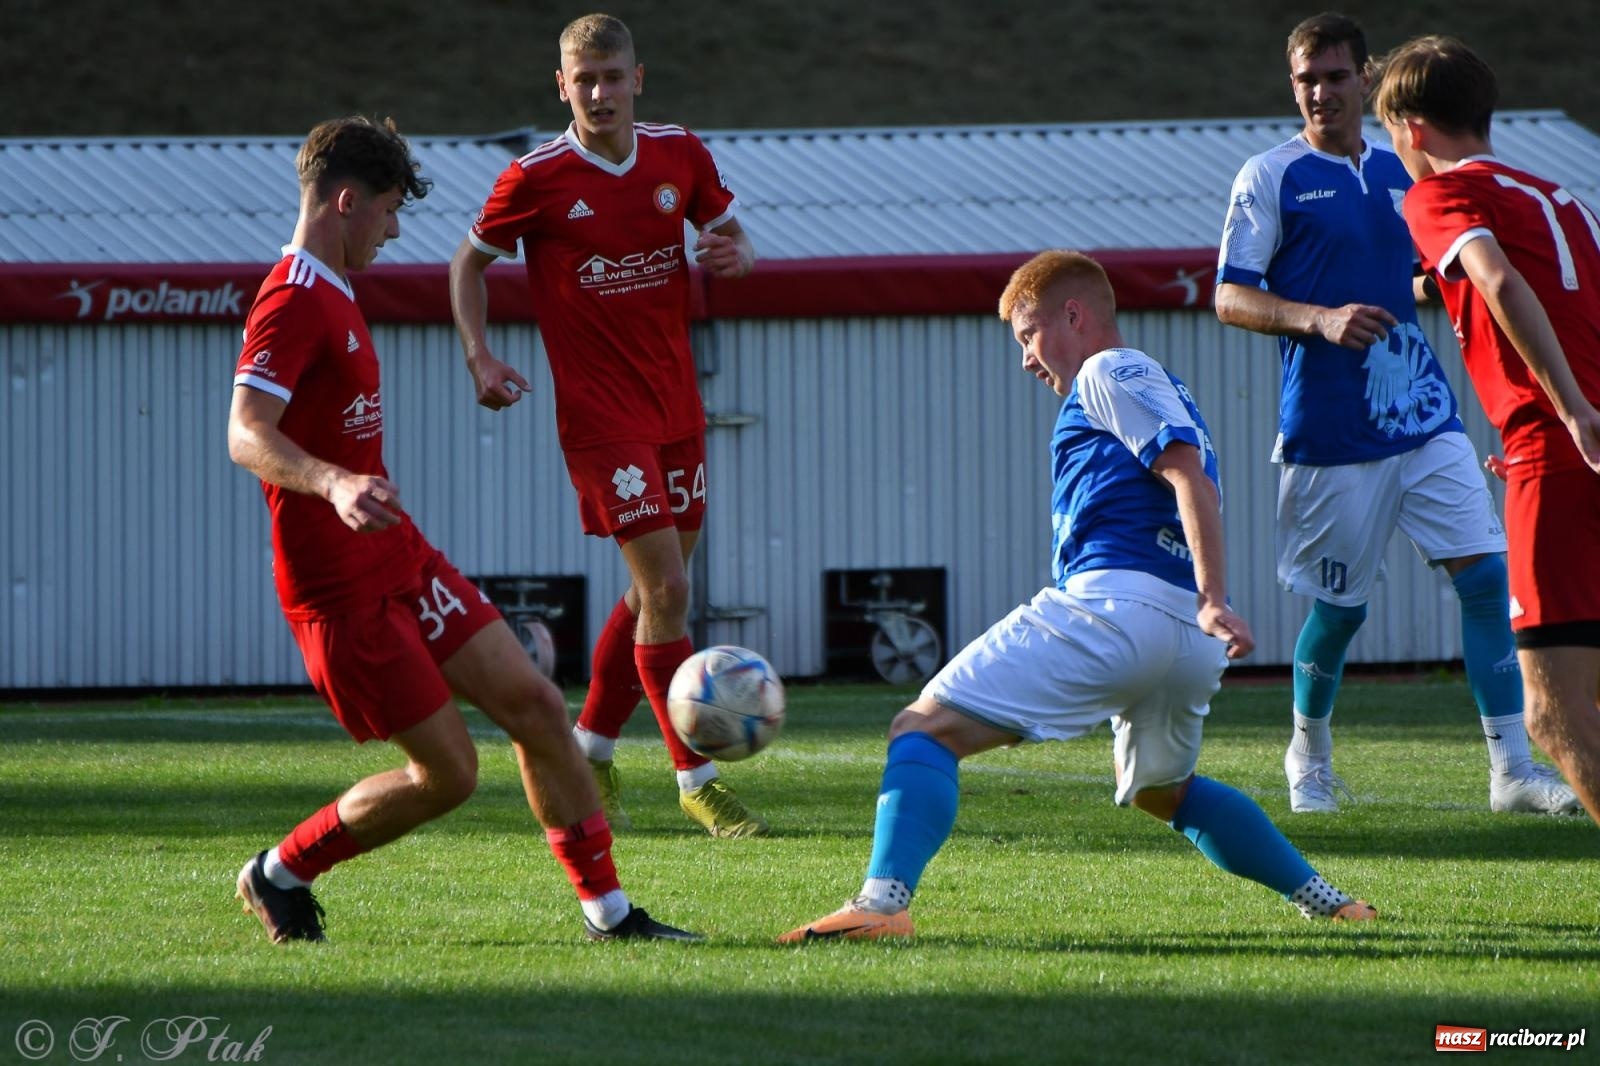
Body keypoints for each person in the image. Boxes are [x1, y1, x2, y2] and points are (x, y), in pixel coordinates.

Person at [780, 251, 1375, 942]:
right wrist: (1203, 604)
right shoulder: (1144, 386)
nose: (1027, 360)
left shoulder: (1108, 369)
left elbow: (1189, 479)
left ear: (1074, 315)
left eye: (1028, 336)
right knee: (1163, 792)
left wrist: (1216, 596)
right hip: (1182, 635)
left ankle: (881, 906)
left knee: (922, 730)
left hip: (1121, 610)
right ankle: (1330, 901)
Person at [229, 115, 699, 944]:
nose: (395, 228)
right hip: (338, 592)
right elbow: (245, 430)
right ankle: (281, 871)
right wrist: (332, 480)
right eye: (386, 211)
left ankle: (611, 916)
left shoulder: (333, 290)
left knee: (536, 705)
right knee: (447, 776)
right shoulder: (291, 299)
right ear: (347, 203)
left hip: (398, 554)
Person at [1213, 12, 1577, 815]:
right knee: (1341, 612)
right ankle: (1307, 758)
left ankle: (1511, 770)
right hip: (1331, 432)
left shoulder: (1404, 176)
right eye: (1306, 79)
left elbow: (1424, 277)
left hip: (1422, 414)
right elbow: (1228, 295)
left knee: (1486, 578)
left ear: (1366, 81)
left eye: (1336, 77)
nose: (1320, 93)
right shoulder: (1268, 176)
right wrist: (1321, 318)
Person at [449, 13, 765, 839]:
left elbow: (730, 235)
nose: (599, 92)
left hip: (676, 407)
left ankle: (590, 744)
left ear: (637, 78)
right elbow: (468, 262)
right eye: (583, 79)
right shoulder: (537, 177)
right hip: (600, 417)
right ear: (562, 86)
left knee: (652, 594)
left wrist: (736, 252)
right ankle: (694, 775)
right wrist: (480, 355)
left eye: (612, 76)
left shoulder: (678, 154)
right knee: (668, 589)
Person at [1372, 36, 1600, 826]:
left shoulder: (1435, 197)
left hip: (1562, 447)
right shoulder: (1564, 199)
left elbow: (1495, 278)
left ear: (1410, 129)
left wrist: (1567, 412)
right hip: (1563, 445)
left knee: (1552, 711)